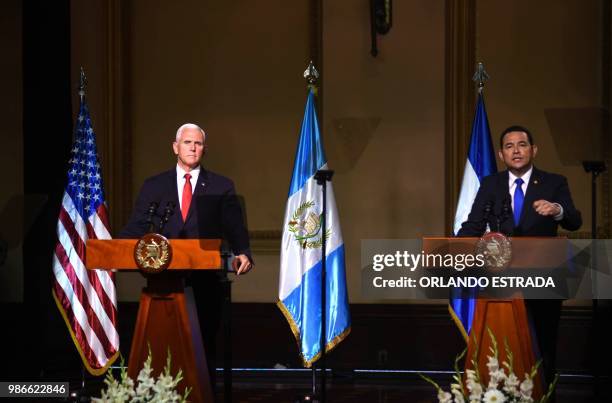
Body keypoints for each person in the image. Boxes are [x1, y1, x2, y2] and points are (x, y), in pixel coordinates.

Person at [119, 122, 253, 387]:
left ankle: (204, 393)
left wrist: (243, 253)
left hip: (206, 281)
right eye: (187, 143)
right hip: (163, 280)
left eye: (198, 143)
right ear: (175, 147)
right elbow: (136, 226)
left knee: (203, 345)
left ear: (204, 149)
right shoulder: (154, 185)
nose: (193, 148)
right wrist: (115, 249)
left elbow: (234, 226)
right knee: (160, 344)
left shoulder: (220, 185)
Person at [457, 125, 582, 387]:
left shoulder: (553, 182)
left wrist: (557, 209)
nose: (516, 150)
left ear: (533, 150)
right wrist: (452, 249)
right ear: (501, 154)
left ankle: (545, 395)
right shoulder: (491, 184)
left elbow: (574, 221)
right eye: (509, 146)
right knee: (501, 344)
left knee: (543, 346)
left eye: (522, 144)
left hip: (543, 280)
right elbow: (473, 226)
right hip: (501, 281)